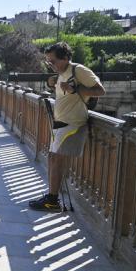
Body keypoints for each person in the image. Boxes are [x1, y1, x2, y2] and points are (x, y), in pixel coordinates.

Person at [29, 42, 105, 211]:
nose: (51, 65)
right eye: (48, 62)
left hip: (73, 123)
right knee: (52, 158)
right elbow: (63, 92)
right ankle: (51, 196)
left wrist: (75, 89)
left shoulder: (79, 70)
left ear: (65, 58)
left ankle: (52, 201)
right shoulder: (62, 73)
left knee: (56, 159)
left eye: (53, 61)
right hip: (60, 123)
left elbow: (100, 91)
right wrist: (52, 83)